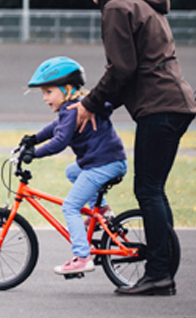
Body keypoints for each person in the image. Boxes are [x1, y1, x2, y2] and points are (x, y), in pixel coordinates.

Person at [68, 0, 196, 296]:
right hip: (174, 102)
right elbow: (131, 71)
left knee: (148, 190)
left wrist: (88, 104)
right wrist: (102, 103)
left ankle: (158, 274)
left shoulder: (116, 8)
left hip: (160, 106)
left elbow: (121, 70)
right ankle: (164, 267)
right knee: (154, 190)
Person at [20, 56, 128, 276]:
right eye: (43, 93)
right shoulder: (73, 107)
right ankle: (103, 210)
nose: (45, 98)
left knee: (70, 206)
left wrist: (35, 154)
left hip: (103, 165)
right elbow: (55, 127)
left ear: (67, 88)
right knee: (72, 171)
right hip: (110, 162)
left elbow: (59, 141)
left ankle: (82, 257)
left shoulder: (70, 110)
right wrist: (34, 139)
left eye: (49, 92)